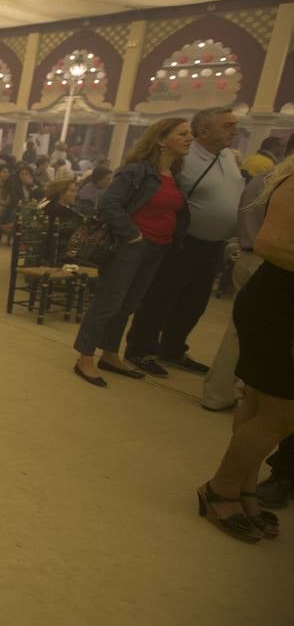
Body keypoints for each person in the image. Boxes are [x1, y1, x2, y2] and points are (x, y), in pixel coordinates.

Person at [195, 153, 294, 542]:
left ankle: (242, 490)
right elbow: (271, 242)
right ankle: (220, 488)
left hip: (278, 303)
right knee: (283, 414)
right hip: (280, 305)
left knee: (258, 403)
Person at [71, 117, 192, 387]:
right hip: (131, 246)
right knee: (109, 302)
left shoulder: (176, 176)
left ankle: (110, 353)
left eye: (189, 134)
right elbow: (109, 203)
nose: (189, 138)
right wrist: (133, 233)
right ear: (162, 139)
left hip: (159, 247)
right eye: (182, 133)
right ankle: (85, 356)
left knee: (129, 304)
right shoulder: (137, 172)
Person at [124, 107, 242, 377]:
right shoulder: (184, 158)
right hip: (184, 242)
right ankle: (141, 348)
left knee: (195, 301)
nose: (234, 131)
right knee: (162, 296)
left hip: (214, 243)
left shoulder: (227, 156)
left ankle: (173, 348)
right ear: (204, 131)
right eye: (227, 126)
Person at [202, 171, 271, 412]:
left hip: (247, 257)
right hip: (269, 265)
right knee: (265, 335)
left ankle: (217, 392)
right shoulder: (286, 181)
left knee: (237, 330)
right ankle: (254, 400)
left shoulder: (262, 178)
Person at [42, 179, 84, 265]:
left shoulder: (49, 206)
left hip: (54, 251)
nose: (75, 194)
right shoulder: (58, 211)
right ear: (61, 192)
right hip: (58, 255)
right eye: (72, 191)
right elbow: (74, 232)